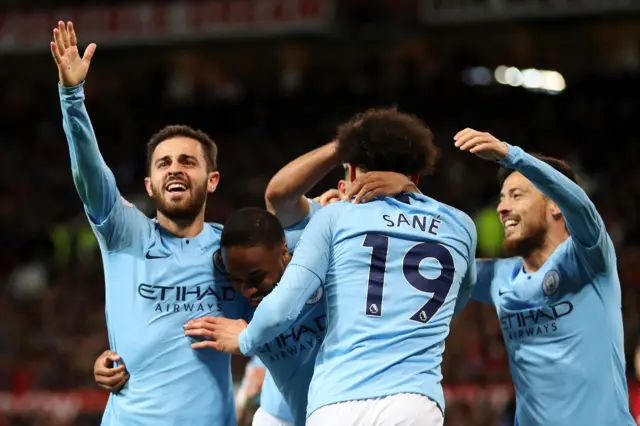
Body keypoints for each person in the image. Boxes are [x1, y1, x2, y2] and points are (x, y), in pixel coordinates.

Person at [196, 108, 478, 426]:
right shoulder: (460, 224)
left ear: (353, 172)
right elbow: (457, 300)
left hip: (338, 399)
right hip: (414, 401)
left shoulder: (335, 218)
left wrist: (246, 339)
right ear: (415, 175)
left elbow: (282, 304)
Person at [51, 21, 250, 425]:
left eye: (187, 161)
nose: (175, 170)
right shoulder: (125, 233)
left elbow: (278, 316)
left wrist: (246, 330)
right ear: (149, 183)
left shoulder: (237, 251)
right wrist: (72, 96)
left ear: (212, 180)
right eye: (164, 163)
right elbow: (90, 176)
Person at [453, 128, 635, 426]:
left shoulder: (588, 258)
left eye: (516, 195)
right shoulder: (500, 277)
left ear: (555, 204)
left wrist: (512, 156)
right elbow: (432, 265)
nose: (502, 208)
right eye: (501, 198)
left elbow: (581, 206)